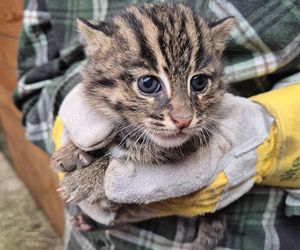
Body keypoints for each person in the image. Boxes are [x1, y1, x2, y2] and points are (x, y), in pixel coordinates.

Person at [14, 0, 300, 249]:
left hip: (255, 228)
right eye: (148, 84)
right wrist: (65, 121)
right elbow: (32, 88)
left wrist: (276, 132)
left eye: (198, 82)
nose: (182, 115)